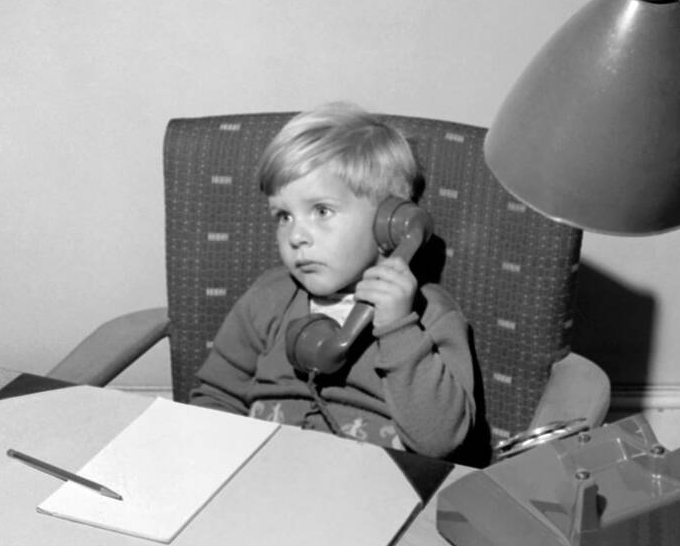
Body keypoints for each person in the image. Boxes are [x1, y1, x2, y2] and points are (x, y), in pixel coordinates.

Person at [189, 104, 481, 459]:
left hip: (375, 492)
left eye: (322, 211)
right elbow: (216, 400)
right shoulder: (267, 299)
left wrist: (398, 328)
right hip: (264, 475)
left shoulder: (431, 314)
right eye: (283, 216)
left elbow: (441, 440)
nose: (296, 236)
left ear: (392, 222)